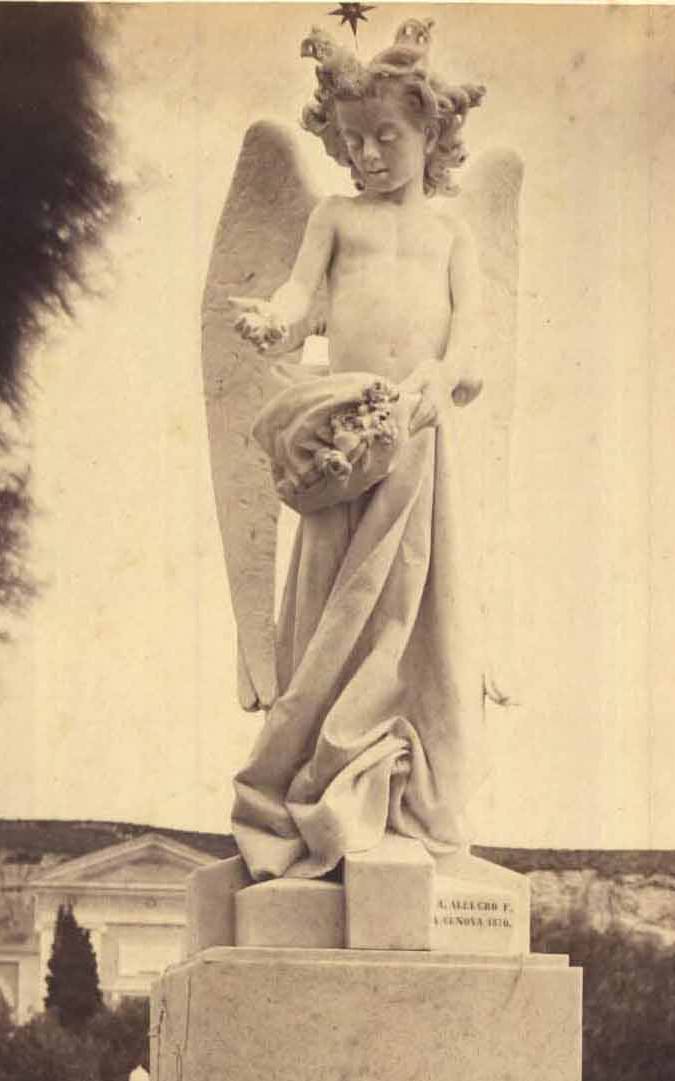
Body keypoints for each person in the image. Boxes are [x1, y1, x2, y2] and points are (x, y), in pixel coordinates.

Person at [225, 21, 498, 881]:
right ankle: (320, 772)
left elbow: (472, 346)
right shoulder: (334, 216)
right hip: (343, 441)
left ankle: (398, 795)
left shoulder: (453, 235)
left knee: (407, 614)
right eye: (353, 141)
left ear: (431, 133)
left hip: (415, 439)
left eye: (387, 136)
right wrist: (272, 319)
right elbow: (298, 298)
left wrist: (441, 379)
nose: (369, 155)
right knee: (331, 609)